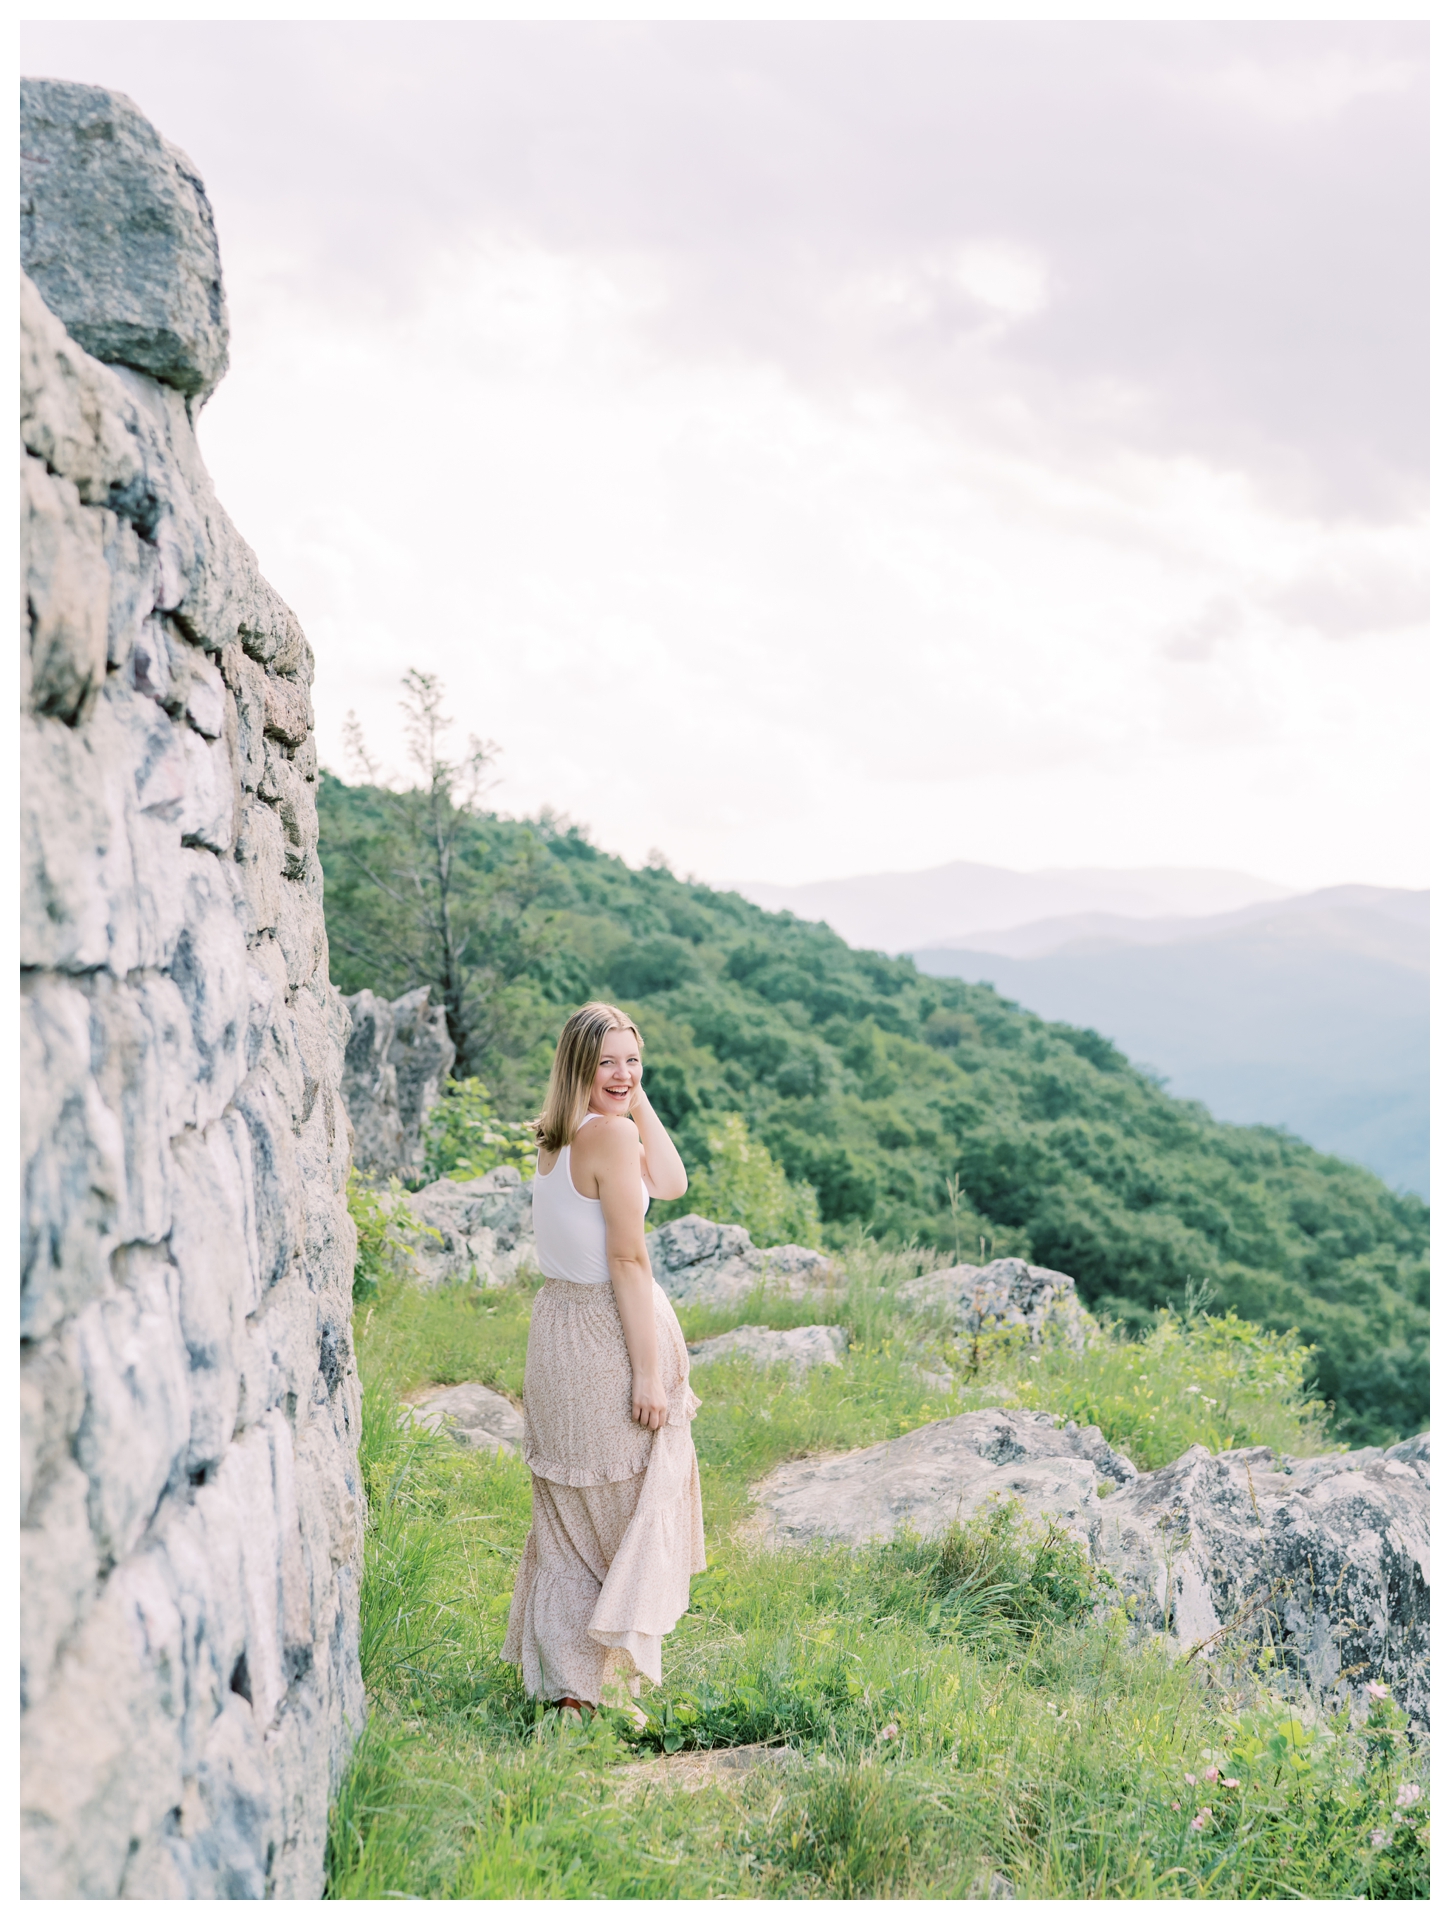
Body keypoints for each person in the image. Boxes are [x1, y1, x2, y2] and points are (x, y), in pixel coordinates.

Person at [502, 1002, 706, 1718]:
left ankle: (571, 1692)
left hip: (555, 1331)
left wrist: (630, 1095)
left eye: (633, 1060)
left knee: (566, 1524)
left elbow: (672, 1182)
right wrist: (648, 1375)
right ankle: (598, 1692)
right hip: (601, 1339)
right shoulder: (610, 1138)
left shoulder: (556, 1134)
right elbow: (626, 1257)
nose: (622, 1075)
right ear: (578, 1067)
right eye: (607, 1063)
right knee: (626, 1518)